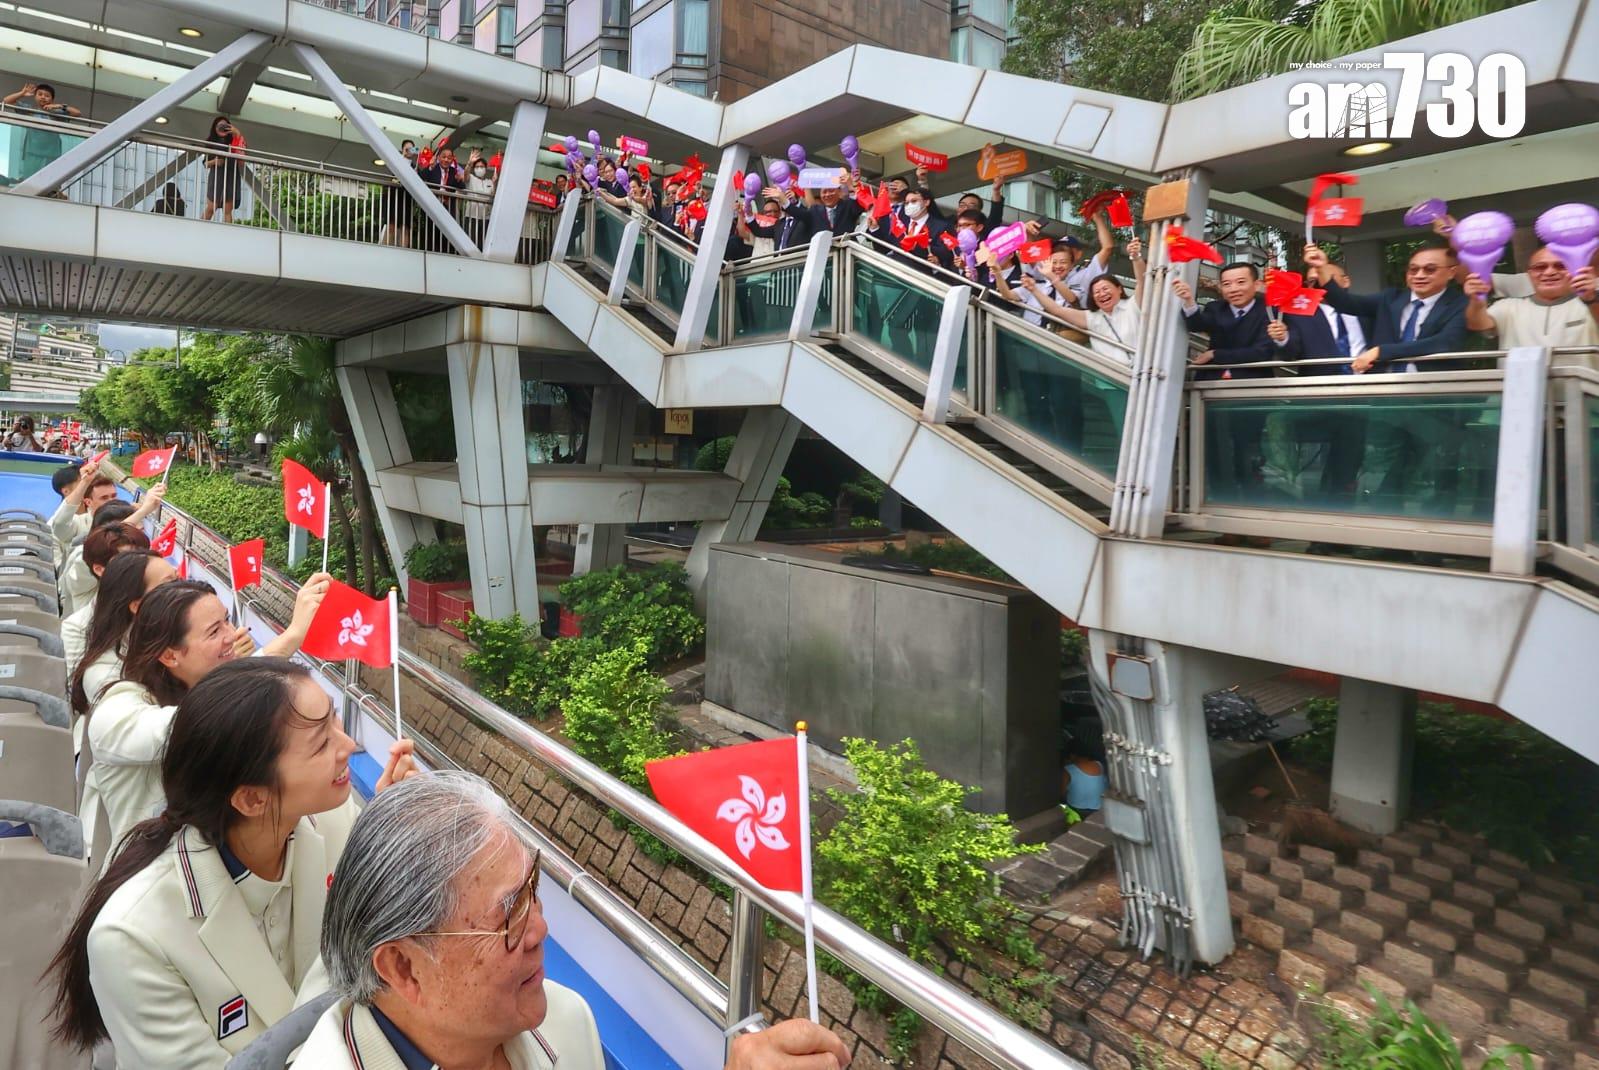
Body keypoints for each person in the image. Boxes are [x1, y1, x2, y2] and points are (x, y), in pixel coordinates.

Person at [303, 771, 853, 1070]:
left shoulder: (565, 1020)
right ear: (403, 968)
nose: (541, 929)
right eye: (510, 913)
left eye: (533, 889)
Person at [48, 658, 418, 1068]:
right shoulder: (132, 937)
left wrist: (393, 844)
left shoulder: (334, 821)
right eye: (321, 744)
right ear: (252, 798)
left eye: (334, 720)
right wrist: (372, 879)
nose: (348, 745)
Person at [83, 574, 331, 855]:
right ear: (170, 656)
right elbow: (192, 723)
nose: (232, 635)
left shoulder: (201, 690)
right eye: (214, 632)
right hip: (155, 869)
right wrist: (290, 637)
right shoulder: (116, 712)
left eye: (227, 620)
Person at [1305, 241, 1468, 373]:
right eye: (1413, 269)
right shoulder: (1391, 298)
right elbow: (1344, 303)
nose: (1419, 275)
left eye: (1430, 269)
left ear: (1451, 272)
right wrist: (1321, 267)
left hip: (1435, 389)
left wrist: (1381, 351)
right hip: (1384, 388)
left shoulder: (1461, 303)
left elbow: (1445, 342)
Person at [70, 550, 179, 718]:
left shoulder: (169, 635)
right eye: (170, 585)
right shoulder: (104, 674)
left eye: (179, 579)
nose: (185, 590)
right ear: (137, 605)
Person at [1015, 239, 1147, 363]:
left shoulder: (1133, 305)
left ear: (1119, 289)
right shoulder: (1092, 317)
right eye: (1096, 292)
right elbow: (1057, 310)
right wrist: (1033, 289)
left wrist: (1136, 257)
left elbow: (1142, 282)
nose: (1102, 294)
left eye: (1105, 289)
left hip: (1135, 373)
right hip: (1103, 375)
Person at [1463, 246, 1599, 362]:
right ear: (1529, 274)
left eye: (1561, 266)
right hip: (1519, 385)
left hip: (1583, 385)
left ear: (1574, 270)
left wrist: (1591, 299)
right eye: (1540, 267)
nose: (1549, 272)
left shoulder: (1591, 304)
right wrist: (1476, 301)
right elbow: (1478, 325)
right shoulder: (1508, 307)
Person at [58, 487, 167, 616]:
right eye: (131, 528)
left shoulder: (143, 565)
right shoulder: (83, 561)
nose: (136, 534)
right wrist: (144, 510)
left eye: (140, 529)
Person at [61, 524, 151, 678]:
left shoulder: (158, 606)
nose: (142, 567)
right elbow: (78, 682)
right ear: (100, 569)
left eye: (145, 557)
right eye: (128, 560)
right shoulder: (78, 627)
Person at [2, 81, 82, 180]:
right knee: (30, 180)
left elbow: (77, 113)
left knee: (50, 181)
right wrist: (22, 93)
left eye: (47, 95)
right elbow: (6, 101)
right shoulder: (30, 111)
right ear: (35, 96)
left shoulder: (57, 113)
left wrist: (60, 106)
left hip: (52, 154)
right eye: (40, 94)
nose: (43, 97)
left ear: (52, 99)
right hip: (32, 152)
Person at [48, 454, 116, 559]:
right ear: (66, 491)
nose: (89, 485)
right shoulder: (54, 524)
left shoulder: (98, 514)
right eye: (82, 482)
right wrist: (85, 481)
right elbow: (60, 524)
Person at [202, 116, 245, 223]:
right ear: (215, 128)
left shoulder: (233, 140)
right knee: (211, 207)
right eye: (220, 126)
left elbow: (241, 155)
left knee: (227, 209)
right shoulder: (211, 142)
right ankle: (200, 228)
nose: (222, 128)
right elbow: (205, 163)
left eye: (225, 126)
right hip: (216, 176)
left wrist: (237, 133)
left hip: (231, 175)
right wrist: (215, 161)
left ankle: (228, 231)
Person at [380, 140, 418, 248]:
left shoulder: (415, 167)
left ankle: (404, 249)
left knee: (405, 226)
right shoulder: (396, 161)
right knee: (391, 224)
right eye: (407, 149)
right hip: (394, 197)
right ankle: (387, 247)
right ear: (402, 149)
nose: (409, 151)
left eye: (412, 149)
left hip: (407, 199)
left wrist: (416, 175)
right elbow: (392, 176)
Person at [462, 152, 496, 247]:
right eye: (477, 167)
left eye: (481, 166)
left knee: (483, 245)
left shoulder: (489, 182)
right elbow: (465, 175)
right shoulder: (471, 178)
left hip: (486, 218)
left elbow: (493, 196)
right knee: (470, 244)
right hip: (472, 217)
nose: (479, 168)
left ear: (485, 168)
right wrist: (469, 163)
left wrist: (494, 183)